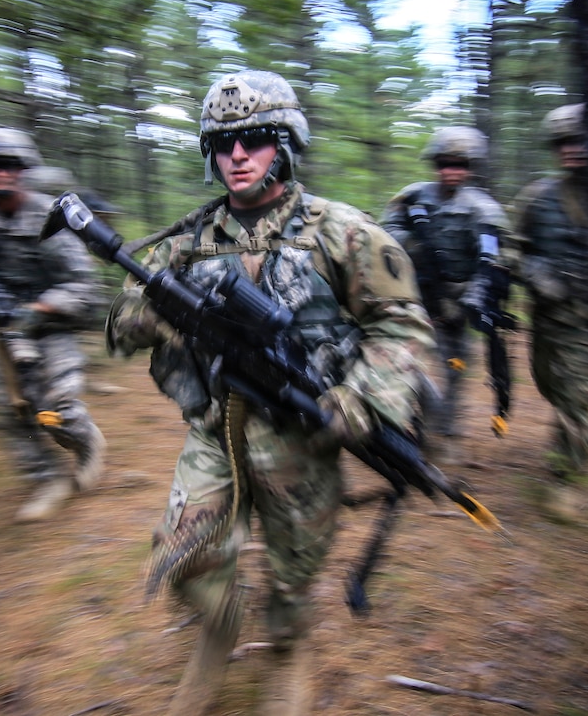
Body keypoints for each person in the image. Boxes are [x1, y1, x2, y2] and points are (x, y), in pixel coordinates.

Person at [106, 70, 435, 715]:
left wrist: (358, 400)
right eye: (224, 142)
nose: (237, 155)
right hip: (215, 428)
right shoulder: (185, 242)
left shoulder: (343, 233)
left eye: (255, 139)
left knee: (295, 567)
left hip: (305, 432)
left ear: (285, 144)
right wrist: (165, 311)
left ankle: (287, 648)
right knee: (185, 551)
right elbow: (120, 327)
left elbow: (402, 329)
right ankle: (218, 628)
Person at [0, 127, 105, 522]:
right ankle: (48, 478)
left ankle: (86, 445)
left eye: (6, 165)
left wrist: (42, 307)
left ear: (23, 170)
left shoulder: (52, 218)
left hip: (52, 325)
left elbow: (85, 286)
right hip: (3, 329)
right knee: (10, 411)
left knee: (60, 406)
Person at [380, 126, 510, 460]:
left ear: (470, 166)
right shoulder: (413, 197)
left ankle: (446, 433)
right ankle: (411, 425)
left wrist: (473, 298)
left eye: (459, 163)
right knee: (407, 363)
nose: (451, 171)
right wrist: (416, 248)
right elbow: (386, 231)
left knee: (456, 369)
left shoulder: (482, 209)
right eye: (445, 163)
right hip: (416, 297)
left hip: (461, 300)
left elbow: (492, 260)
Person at [506, 103, 588, 517]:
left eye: (580, 141)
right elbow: (508, 247)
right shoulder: (538, 198)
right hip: (550, 324)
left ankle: (566, 477)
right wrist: (532, 271)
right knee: (553, 388)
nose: (573, 149)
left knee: (578, 398)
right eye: (564, 142)